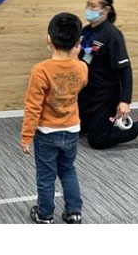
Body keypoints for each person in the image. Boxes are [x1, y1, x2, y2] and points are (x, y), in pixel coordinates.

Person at [21, 12, 88, 224]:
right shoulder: (82, 67)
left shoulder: (40, 70)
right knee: (68, 170)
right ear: (78, 42)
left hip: (47, 134)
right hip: (72, 130)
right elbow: (82, 84)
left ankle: (45, 214)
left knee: (46, 176)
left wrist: (26, 136)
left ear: (48, 39)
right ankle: (74, 212)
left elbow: (33, 107)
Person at [78, 0, 138, 150]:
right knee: (73, 128)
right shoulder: (86, 31)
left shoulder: (112, 35)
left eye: (93, 6)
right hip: (87, 93)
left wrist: (125, 101)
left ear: (106, 10)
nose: (88, 9)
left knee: (97, 141)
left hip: (105, 95)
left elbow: (125, 70)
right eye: (88, 4)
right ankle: (99, 122)